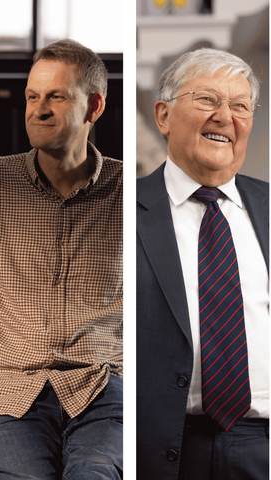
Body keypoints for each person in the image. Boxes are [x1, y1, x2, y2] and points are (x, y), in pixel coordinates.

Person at [0, 39, 122, 479]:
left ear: (94, 106)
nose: (38, 109)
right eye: (32, 96)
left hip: (101, 387)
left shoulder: (132, 195)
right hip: (12, 389)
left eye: (56, 96)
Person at [137, 48, 268, 480]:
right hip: (162, 447)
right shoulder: (117, 212)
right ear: (164, 115)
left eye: (240, 106)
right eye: (208, 100)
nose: (225, 117)